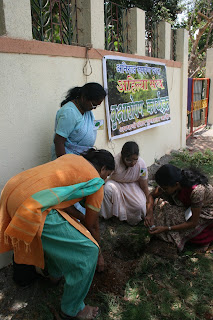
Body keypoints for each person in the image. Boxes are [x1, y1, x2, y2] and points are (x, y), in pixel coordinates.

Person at [0, 148, 115, 320]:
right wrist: (99, 253)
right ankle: (73, 309)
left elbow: (59, 198)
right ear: (103, 169)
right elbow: (93, 225)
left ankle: (54, 275)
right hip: (32, 205)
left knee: (60, 238)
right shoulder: (96, 181)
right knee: (88, 250)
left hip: (12, 191)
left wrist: (80, 218)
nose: (105, 180)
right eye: (107, 175)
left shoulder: (71, 158)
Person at [145, 164, 213, 251]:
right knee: (160, 208)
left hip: (205, 211)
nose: (163, 190)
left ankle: (203, 241)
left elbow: (193, 223)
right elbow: (151, 195)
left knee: (168, 216)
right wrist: (149, 213)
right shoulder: (173, 180)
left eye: (165, 188)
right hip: (189, 207)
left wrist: (166, 228)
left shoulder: (197, 191)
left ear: (176, 185)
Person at [100, 141, 151, 226]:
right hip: (115, 184)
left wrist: (148, 201)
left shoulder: (141, 165)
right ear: (123, 157)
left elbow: (144, 184)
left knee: (139, 206)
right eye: (129, 160)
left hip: (133, 186)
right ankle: (110, 217)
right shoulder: (115, 162)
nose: (132, 163)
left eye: (135, 160)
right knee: (107, 189)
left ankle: (130, 219)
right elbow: (105, 178)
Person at [51, 82, 106, 160]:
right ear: (84, 98)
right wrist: (63, 163)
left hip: (81, 158)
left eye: (97, 105)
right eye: (93, 104)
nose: (94, 108)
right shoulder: (69, 113)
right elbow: (58, 141)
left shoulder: (87, 111)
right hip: (67, 158)